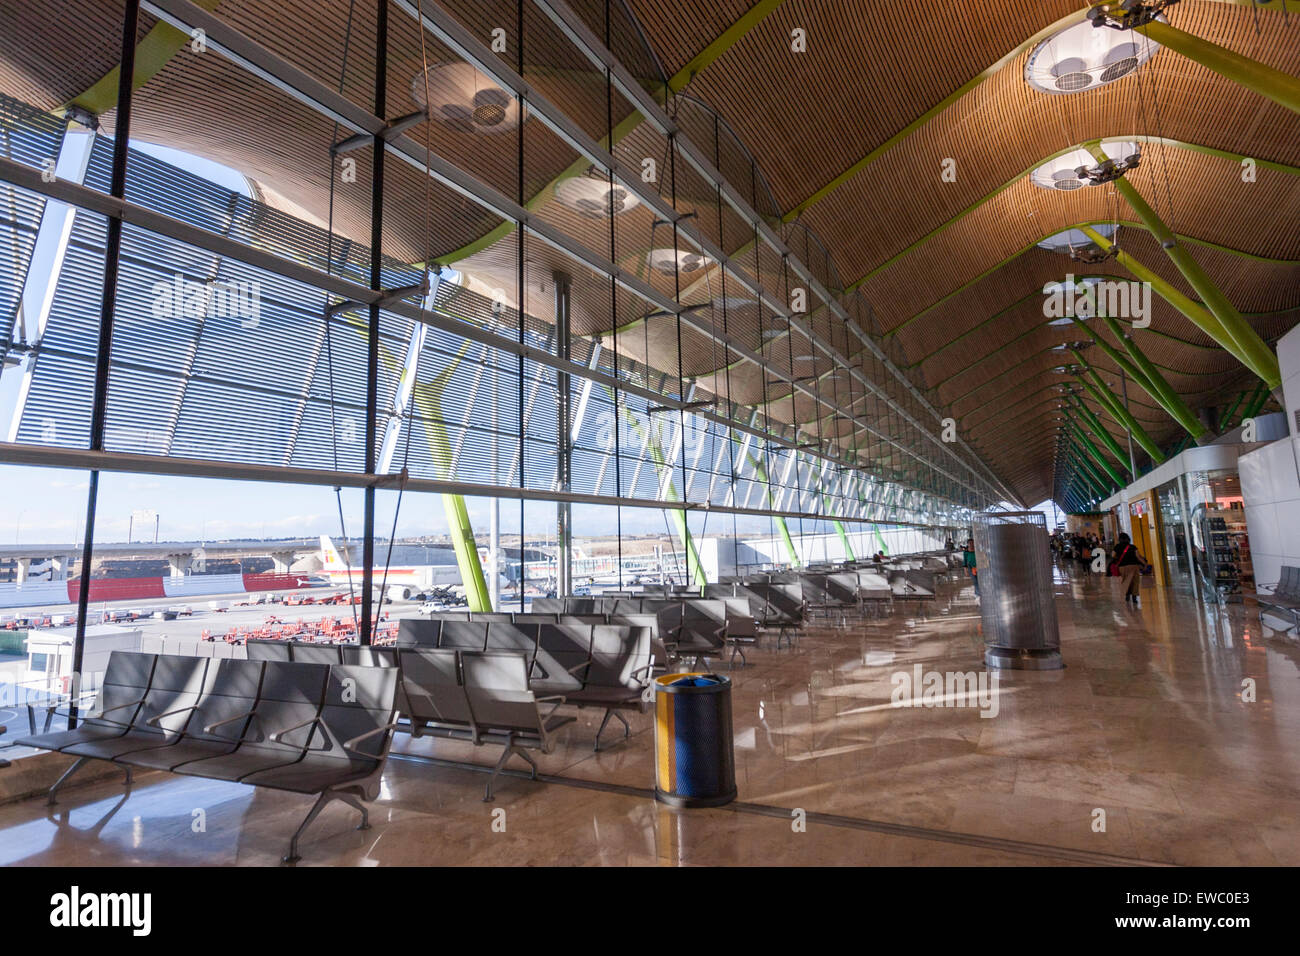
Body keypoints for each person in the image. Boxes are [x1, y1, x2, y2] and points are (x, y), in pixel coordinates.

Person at [1109, 532, 1146, 607]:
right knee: (1135, 581)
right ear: (1128, 539)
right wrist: (1144, 563)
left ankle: (1127, 595)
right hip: (1134, 566)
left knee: (1126, 580)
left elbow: (1113, 555)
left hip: (1123, 567)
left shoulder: (1117, 547)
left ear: (1120, 539)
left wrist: (1118, 558)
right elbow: (1138, 556)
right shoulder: (1132, 547)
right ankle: (1134, 597)